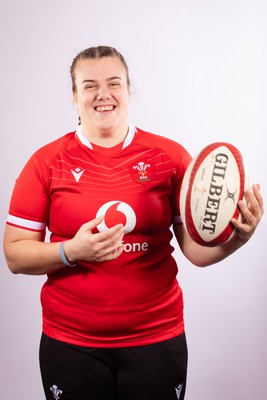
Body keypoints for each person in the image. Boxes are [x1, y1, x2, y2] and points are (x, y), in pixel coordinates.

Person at [3, 46, 263, 400]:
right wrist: (71, 251)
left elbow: (195, 252)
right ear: (75, 95)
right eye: (90, 85)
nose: (103, 94)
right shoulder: (46, 162)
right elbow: (15, 256)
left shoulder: (168, 157)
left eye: (114, 83)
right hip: (71, 343)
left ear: (128, 90)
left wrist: (237, 239)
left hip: (156, 338)